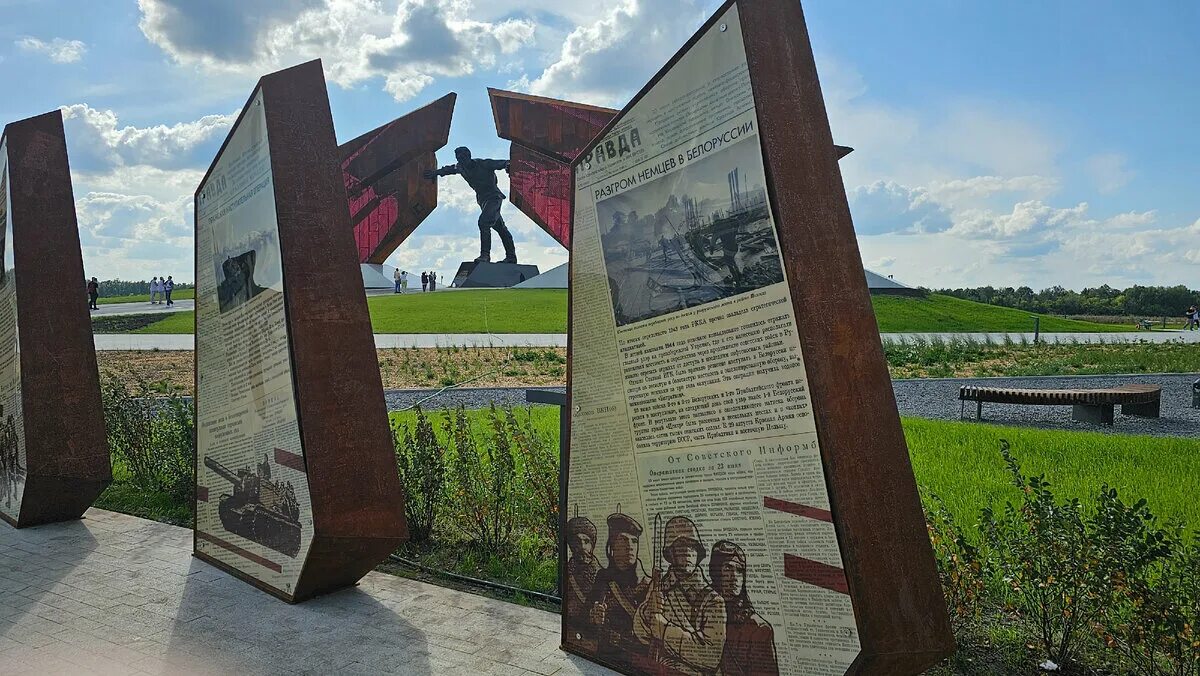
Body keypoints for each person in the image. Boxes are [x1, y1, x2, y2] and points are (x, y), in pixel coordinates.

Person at [634, 516, 726, 675]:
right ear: (670, 552)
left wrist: (664, 630)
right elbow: (640, 633)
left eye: (693, 547)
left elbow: (711, 657)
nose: (688, 553)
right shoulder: (660, 587)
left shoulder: (713, 600)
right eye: (681, 546)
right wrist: (648, 612)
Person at [423, 146, 518, 264]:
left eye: (463, 157)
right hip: (482, 201)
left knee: (483, 223)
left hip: (494, 198)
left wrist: (508, 165)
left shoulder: (483, 164)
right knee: (501, 229)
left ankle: (485, 255)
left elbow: (502, 163)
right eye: (458, 158)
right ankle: (511, 257)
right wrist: (435, 173)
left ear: (469, 155)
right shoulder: (461, 167)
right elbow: (449, 169)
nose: (461, 160)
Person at [587, 512, 652, 672]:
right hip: (608, 654)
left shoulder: (646, 581)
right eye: (623, 539)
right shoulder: (603, 577)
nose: (630, 546)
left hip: (639, 658)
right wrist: (594, 616)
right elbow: (586, 615)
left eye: (634, 541)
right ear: (612, 546)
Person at [711, 541, 779, 676]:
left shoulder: (758, 629)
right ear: (716, 572)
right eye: (728, 568)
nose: (734, 577)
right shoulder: (703, 612)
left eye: (740, 570)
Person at [564, 515, 601, 642]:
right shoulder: (569, 571)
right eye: (577, 541)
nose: (582, 546)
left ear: (592, 544)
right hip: (571, 628)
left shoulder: (600, 574)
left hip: (592, 634)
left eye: (586, 541)